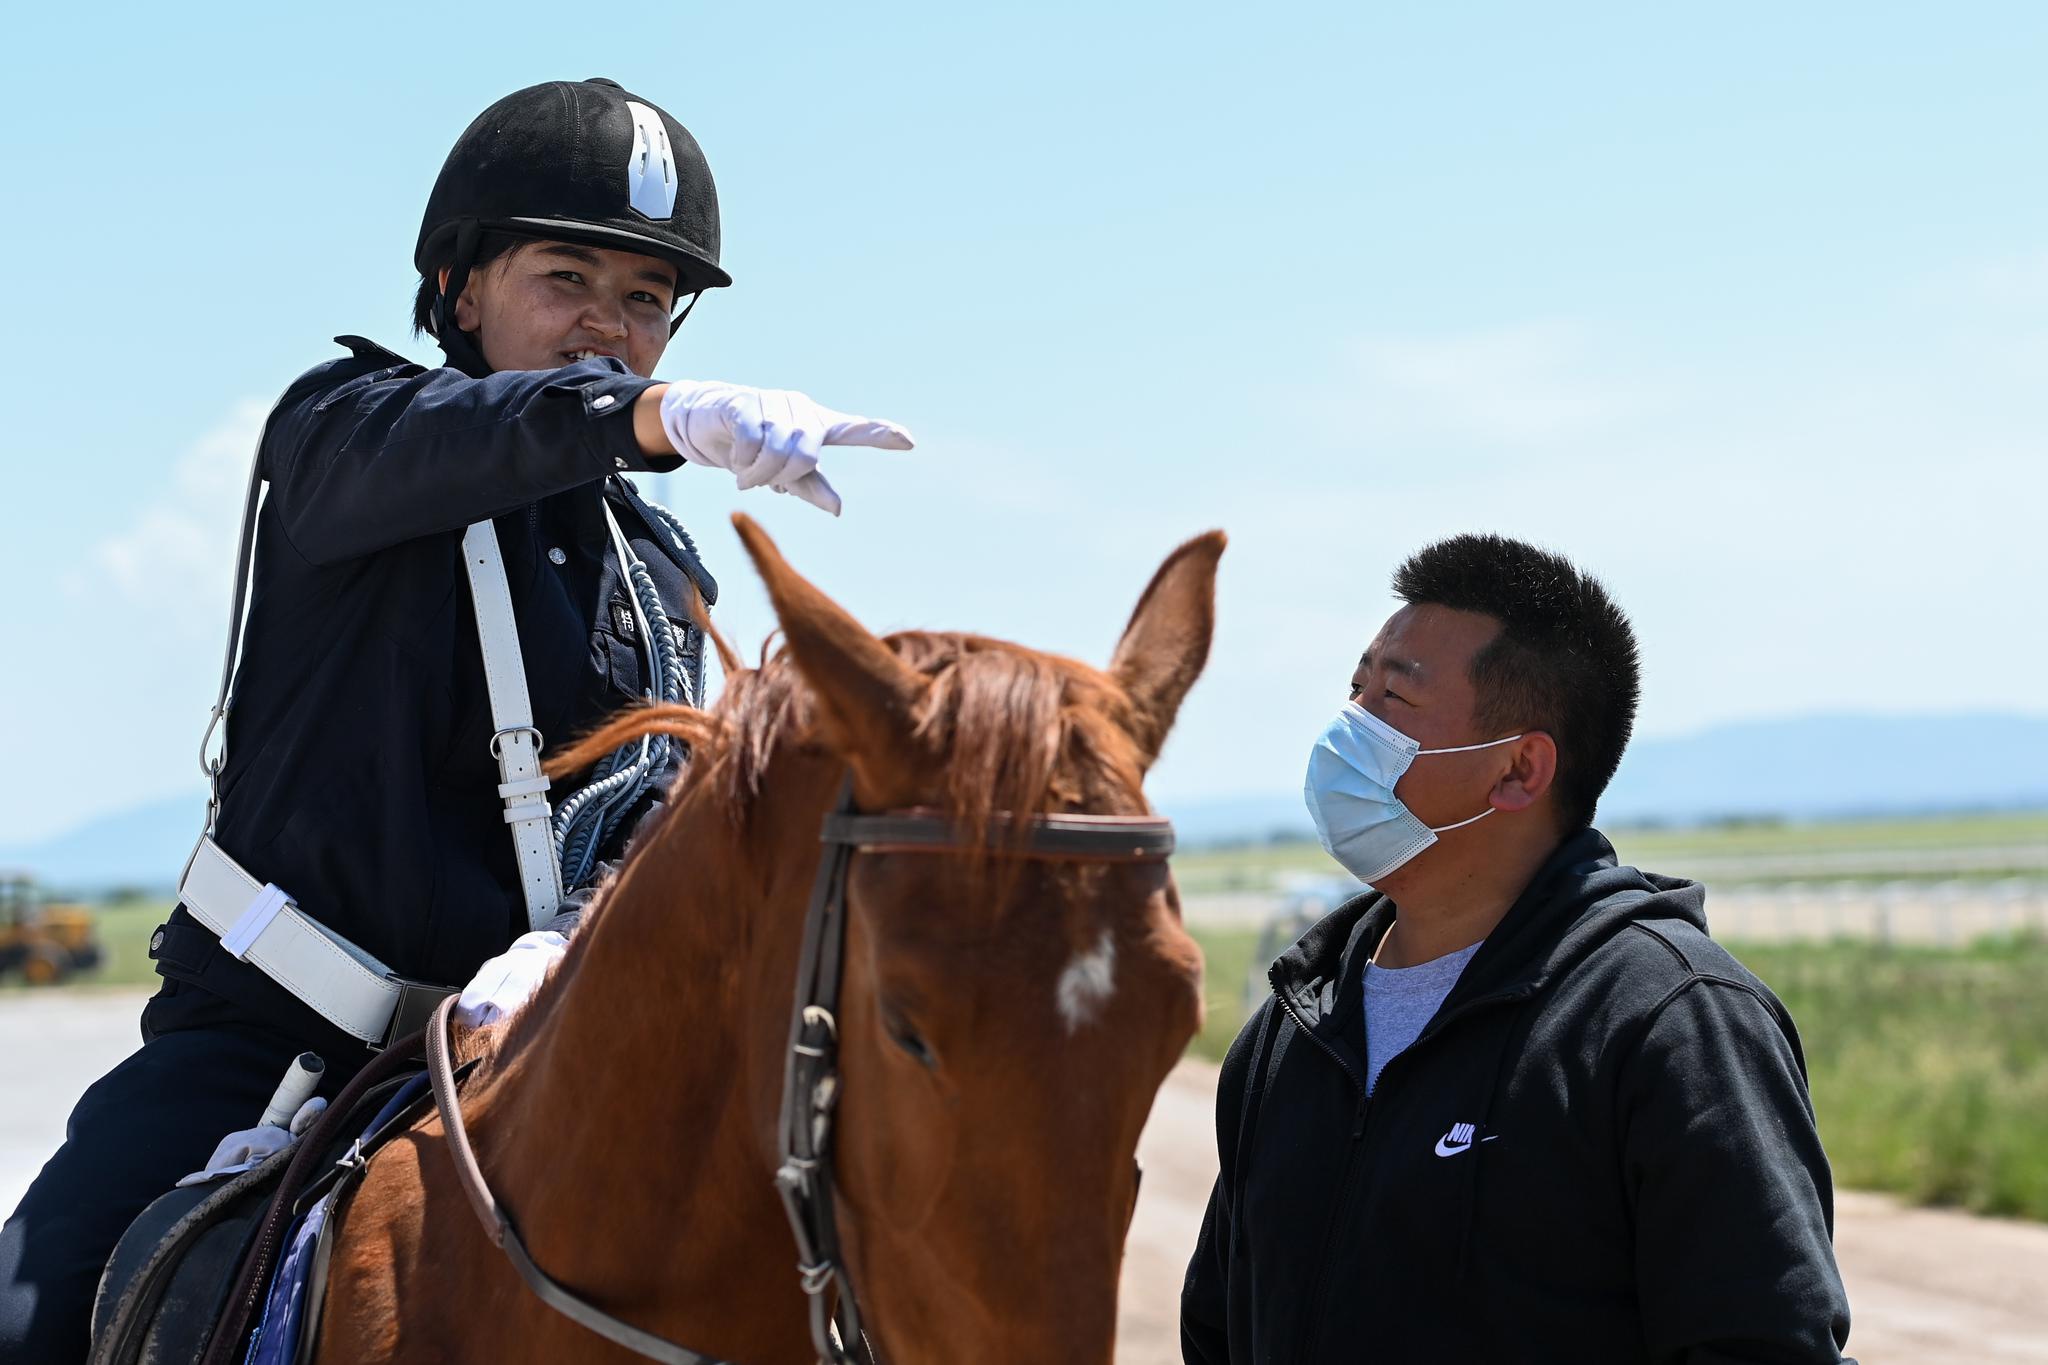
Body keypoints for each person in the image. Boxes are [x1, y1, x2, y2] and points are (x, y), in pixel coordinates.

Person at [0, 77, 911, 1362]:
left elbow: (653, 823)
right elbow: (467, 439)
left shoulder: (663, 581)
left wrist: (572, 945)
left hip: (533, 1060)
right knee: (26, 1319)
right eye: (566, 277)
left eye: (644, 300)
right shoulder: (343, 440)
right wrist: (652, 416)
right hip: (269, 1046)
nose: (607, 325)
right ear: (459, 288)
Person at [1180, 534, 1855, 1363]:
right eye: (1353, 690)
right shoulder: (1295, 1026)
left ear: (1518, 769)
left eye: (1392, 698)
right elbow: (1218, 1329)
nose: (1345, 730)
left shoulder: (1668, 1024)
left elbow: (1763, 1343)